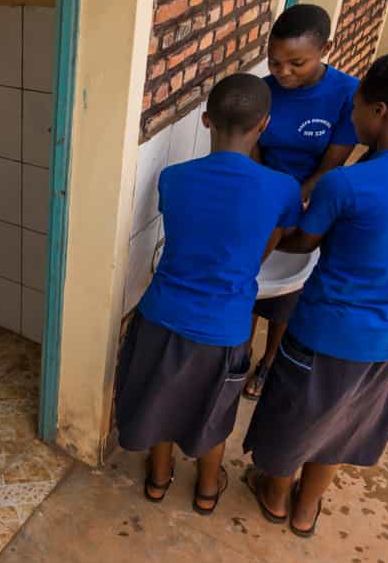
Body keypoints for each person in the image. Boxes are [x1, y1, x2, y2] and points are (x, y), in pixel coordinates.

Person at [241, 51, 388, 537]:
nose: (351, 115)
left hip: (328, 335)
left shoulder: (347, 183)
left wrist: (260, 231)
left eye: (355, 106)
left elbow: (300, 244)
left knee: (292, 420)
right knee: (344, 423)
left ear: (379, 110)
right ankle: (306, 509)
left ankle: (275, 495)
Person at [116, 74, 302, 513]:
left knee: (159, 401)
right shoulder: (282, 187)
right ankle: (205, 489)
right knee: (214, 414)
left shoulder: (174, 177)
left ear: (205, 121)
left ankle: (159, 479)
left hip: (161, 315)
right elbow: (275, 236)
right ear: (264, 125)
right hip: (225, 328)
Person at [245, 3, 361, 398]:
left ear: (326, 48)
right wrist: (268, 192)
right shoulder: (264, 90)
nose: (283, 73)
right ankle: (239, 354)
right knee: (250, 279)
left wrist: (293, 201)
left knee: (285, 290)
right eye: (275, 62)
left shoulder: (346, 94)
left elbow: (333, 164)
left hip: (310, 202)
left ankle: (269, 360)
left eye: (296, 63)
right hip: (265, 195)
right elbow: (254, 147)